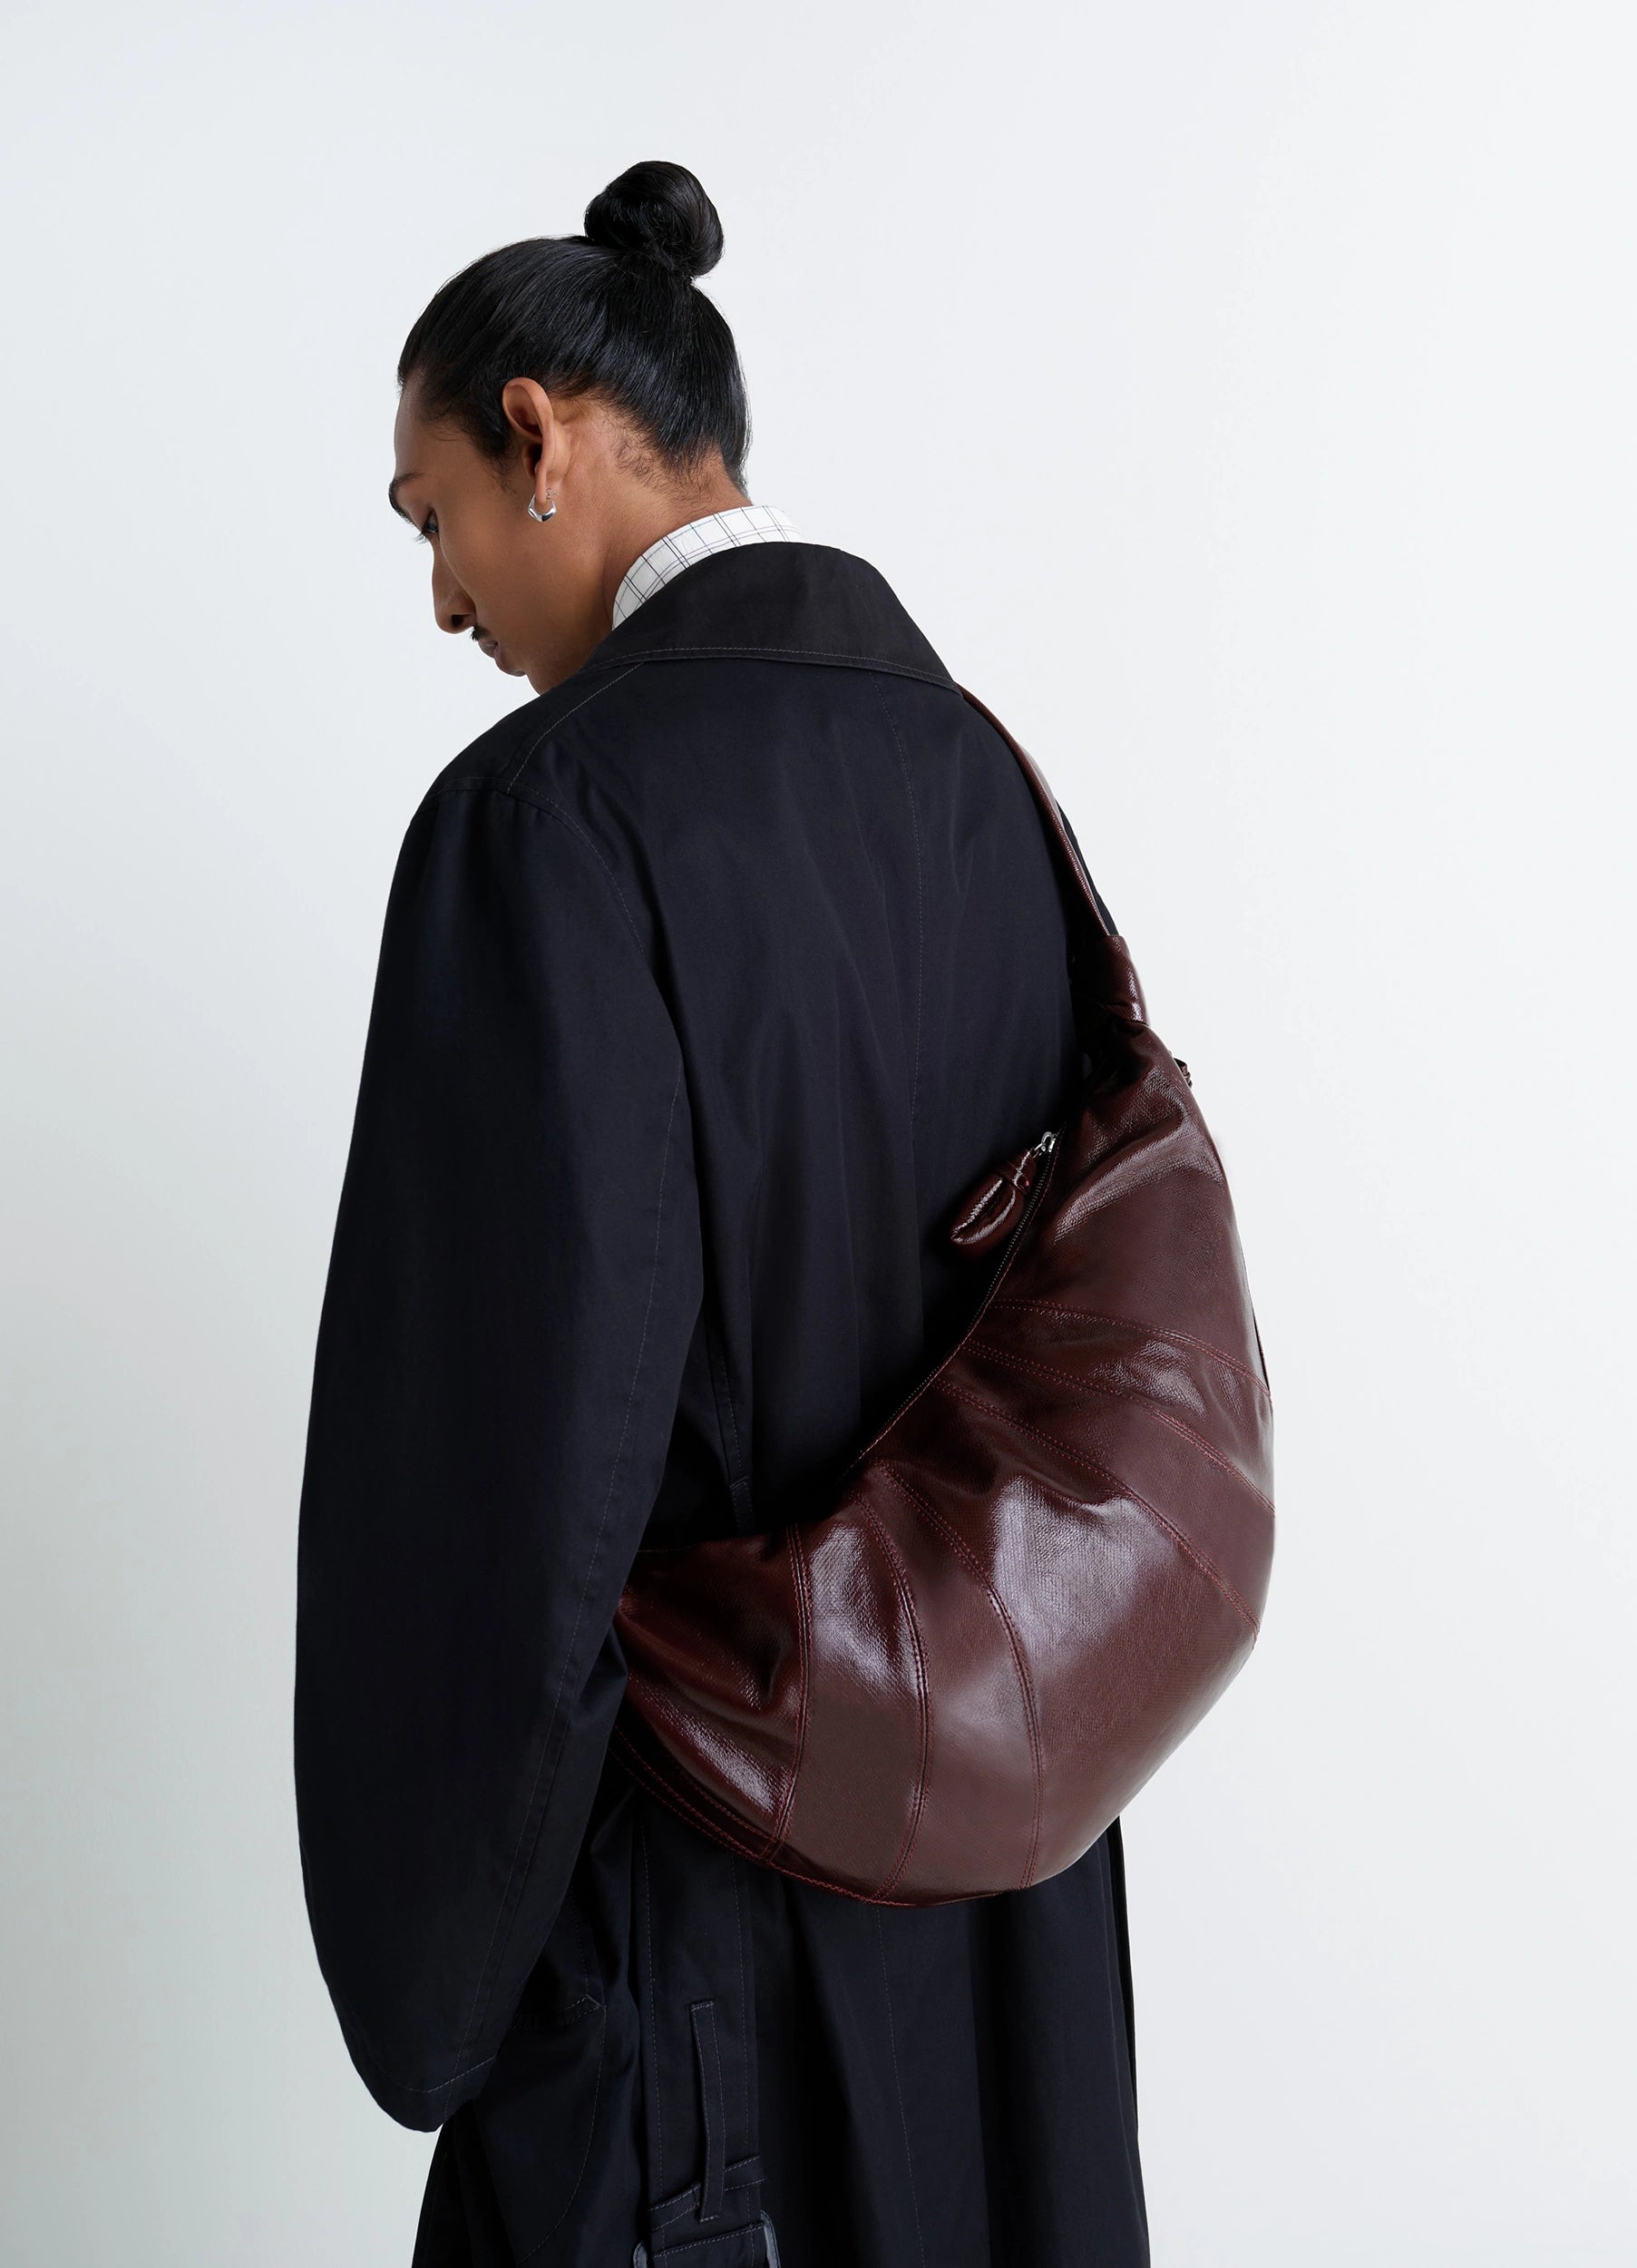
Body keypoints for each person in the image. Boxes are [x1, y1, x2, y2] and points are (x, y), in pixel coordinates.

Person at [295, 160, 1149, 2268]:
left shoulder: (542, 821)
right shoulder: (981, 780)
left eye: (430, 519)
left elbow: (503, 1477)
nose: (443, 603)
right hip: (999, 1883)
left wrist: (441, 1979)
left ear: (539, 435)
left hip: (689, 1926)